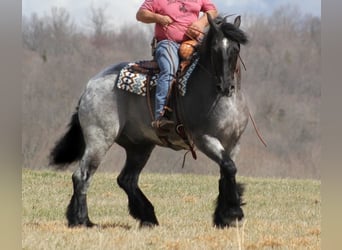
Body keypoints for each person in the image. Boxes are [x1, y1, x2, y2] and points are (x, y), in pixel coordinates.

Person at [136, 0, 217, 132]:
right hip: (168, 43)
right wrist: (158, 18)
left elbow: (212, 11)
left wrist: (200, 23)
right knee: (169, 69)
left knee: (210, 67)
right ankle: (160, 115)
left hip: (193, 43)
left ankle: (212, 111)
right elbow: (140, 15)